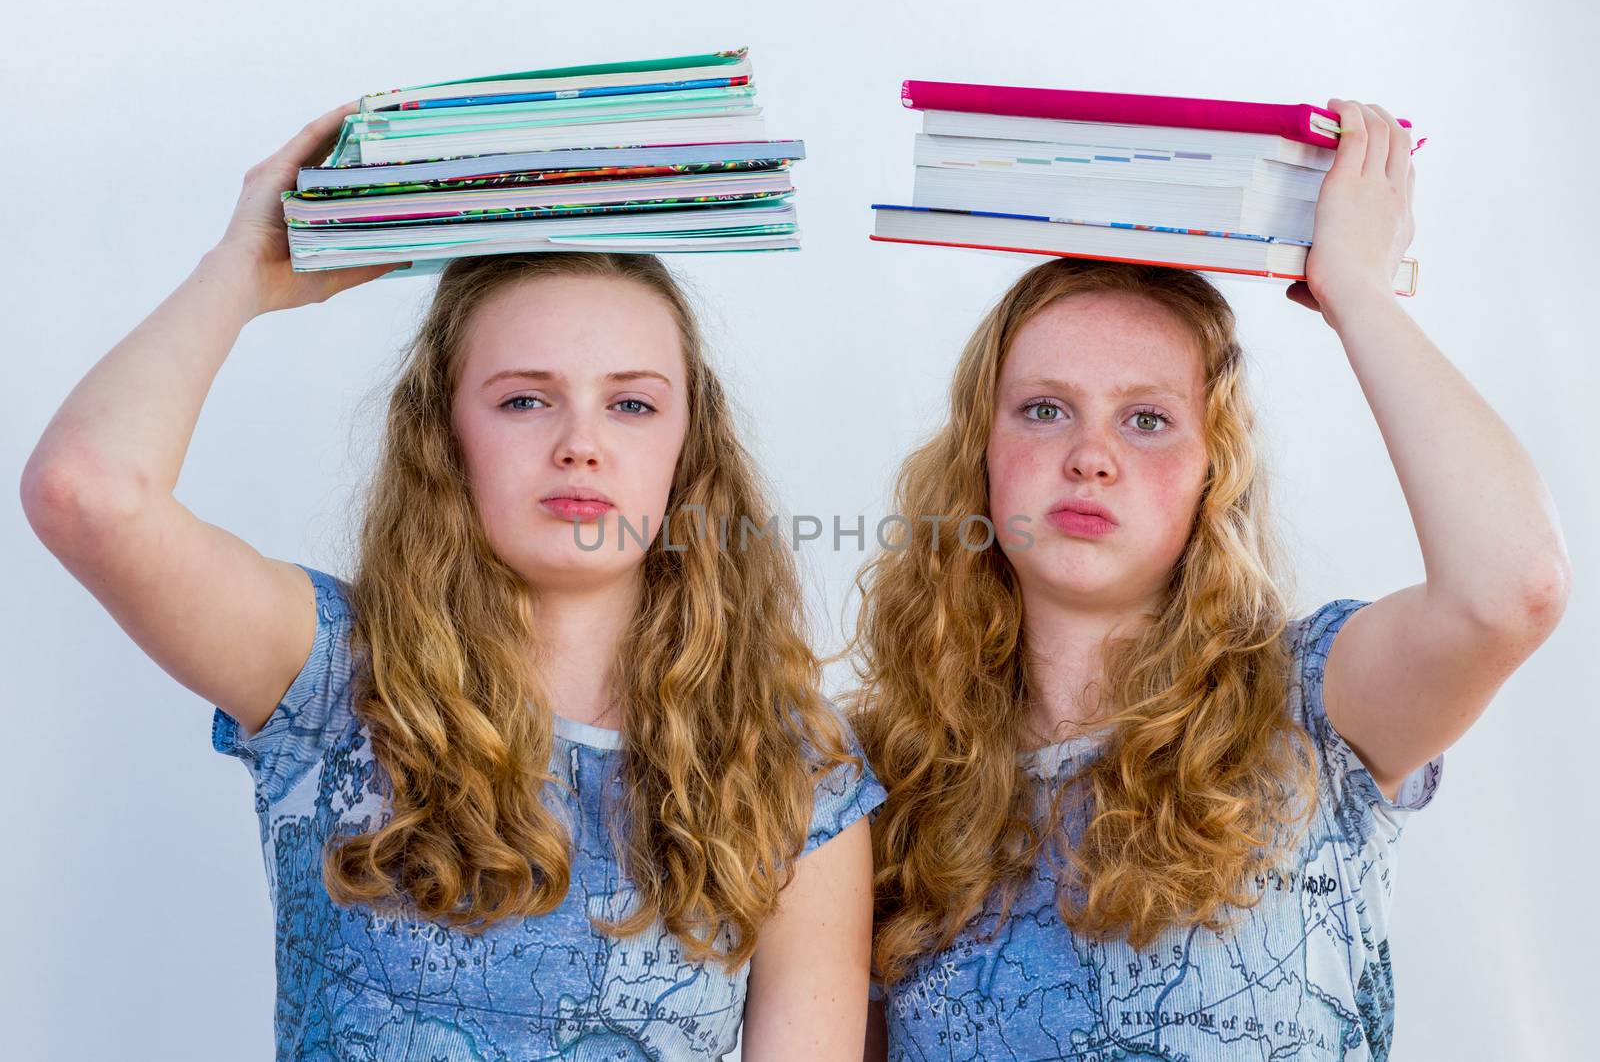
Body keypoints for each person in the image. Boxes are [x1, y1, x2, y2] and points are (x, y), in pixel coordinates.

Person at [21, 100, 883, 1061]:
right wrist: (242, 273)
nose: (581, 445)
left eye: (632, 403)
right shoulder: (331, 672)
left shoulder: (798, 769)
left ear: (689, 448)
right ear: (447, 431)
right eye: (524, 398)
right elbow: (87, 492)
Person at [846, 99, 1571, 1060]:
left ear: (1210, 475)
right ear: (981, 456)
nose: (1090, 456)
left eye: (1147, 420)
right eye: (1044, 409)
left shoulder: (1312, 706)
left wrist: (1357, 288)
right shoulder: (876, 782)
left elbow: (1511, 585)